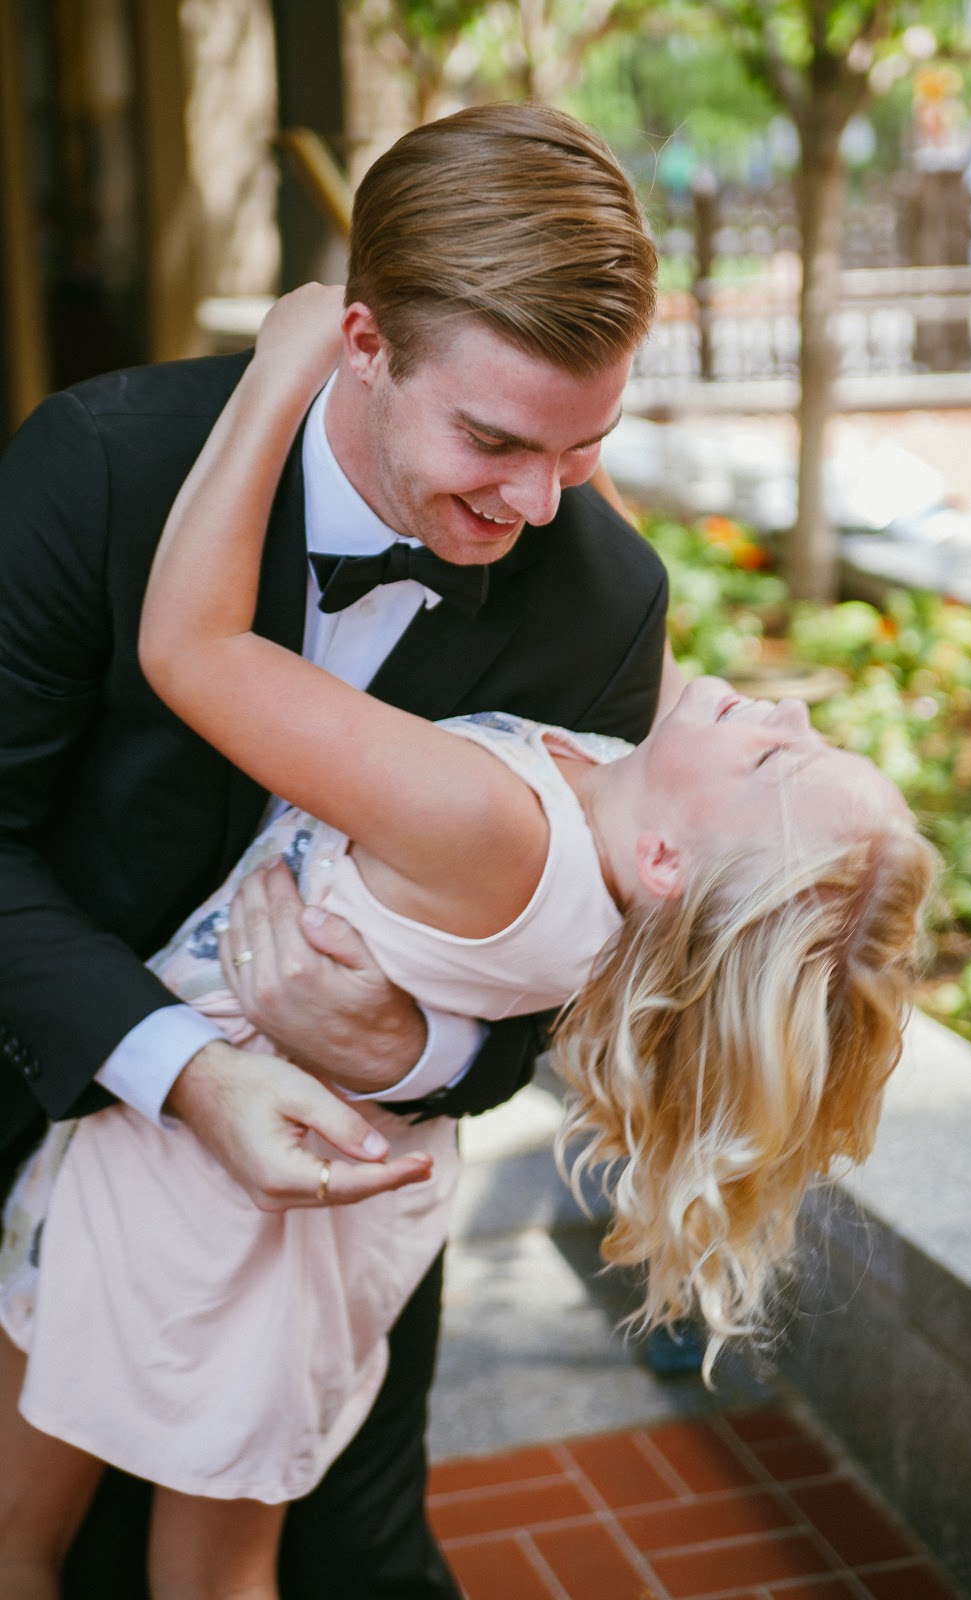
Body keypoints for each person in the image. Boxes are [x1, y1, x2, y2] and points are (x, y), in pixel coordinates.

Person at [0, 286, 936, 1599]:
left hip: (193, 1183)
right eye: (505, 440)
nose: (782, 711)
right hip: (298, 1164)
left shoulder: (497, 821)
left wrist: (279, 371)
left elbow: (194, 647)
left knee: (59, 1540)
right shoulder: (629, 817)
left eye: (781, 756)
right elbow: (669, 707)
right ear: (375, 345)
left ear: (671, 868)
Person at [0, 104, 669, 1599]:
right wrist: (181, 1067)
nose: (535, 503)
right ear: (362, 343)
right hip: (34, 1086)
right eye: (493, 440)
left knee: (350, 1563)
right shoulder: (101, 466)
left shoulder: (603, 602)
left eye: (584, 447)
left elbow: (567, 985)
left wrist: (421, 1048)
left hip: (337, 1190)